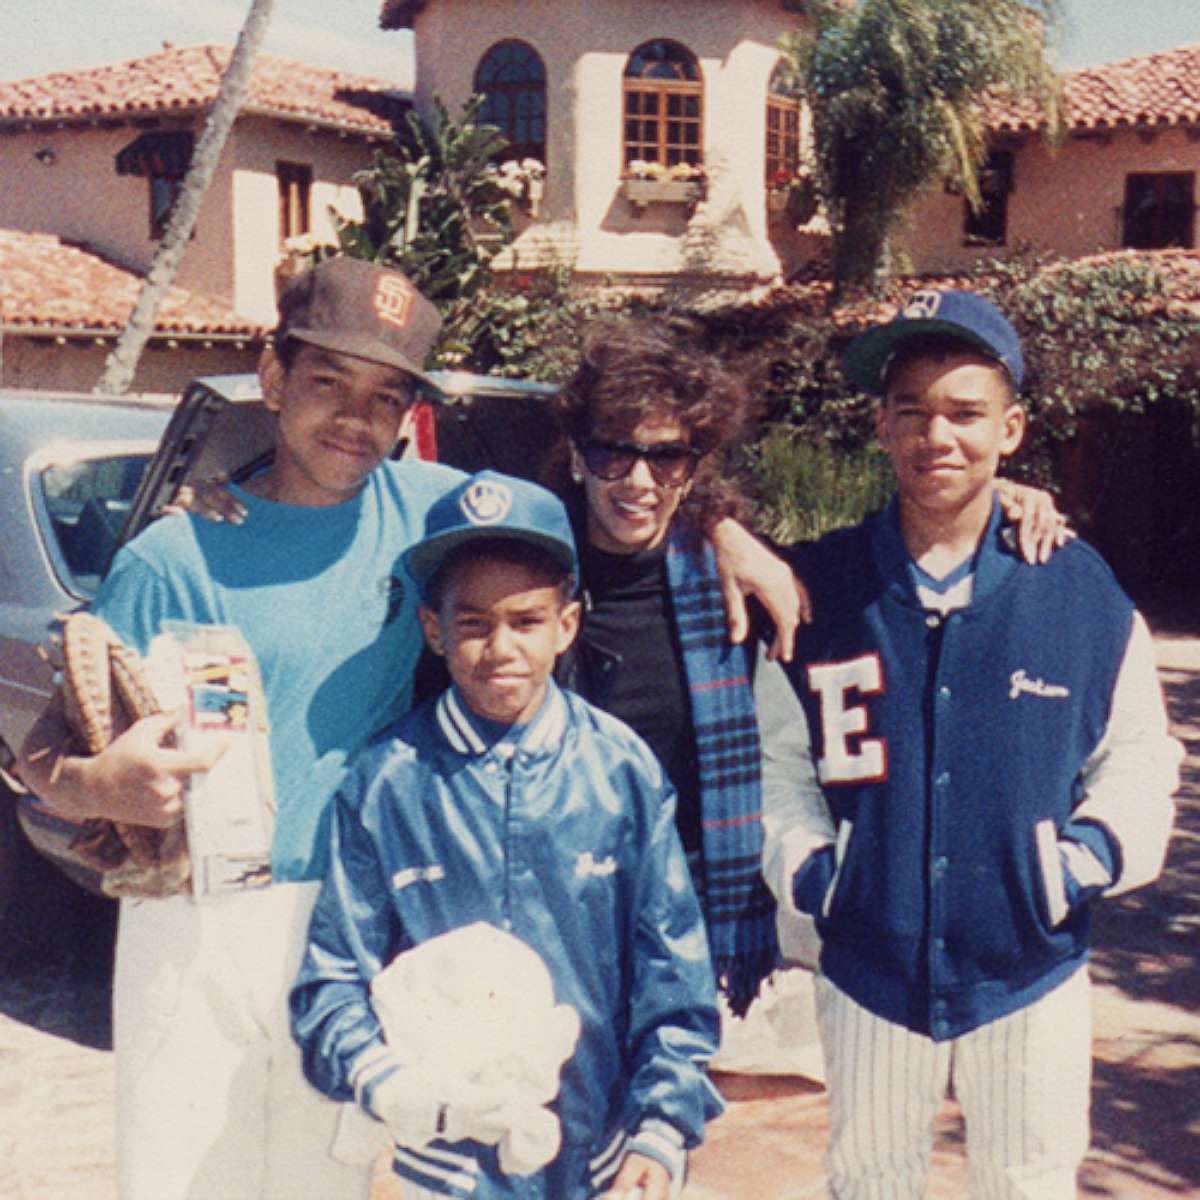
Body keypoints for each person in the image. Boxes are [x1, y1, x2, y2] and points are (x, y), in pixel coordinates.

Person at [18, 256, 468, 1200]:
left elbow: (589, 516)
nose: (356, 418)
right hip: (189, 923)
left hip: (346, 927)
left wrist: (723, 532)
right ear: (271, 379)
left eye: (386, 398)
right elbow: (41, 753)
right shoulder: (173, 555)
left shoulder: (429, 518)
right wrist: (103, 785)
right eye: (327, 383)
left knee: (319, 1187)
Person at [761, 289, 1181, 1198]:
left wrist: (1079, 862)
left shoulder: (1075, 590)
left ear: (1013, 427)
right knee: (869, 1181)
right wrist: (810, 869)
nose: (936, 436)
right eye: (910, 411)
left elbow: (1142, 757)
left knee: (1026, 1182)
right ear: (880, 425)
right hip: (870, 965)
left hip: (1029, 968)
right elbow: (780, 762)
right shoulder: (819, 589)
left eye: (964, 412)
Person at [290, 471, 724, 1200]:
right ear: (433, 629)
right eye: (472, 623)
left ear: (567, 625)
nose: (500, 647)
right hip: (444, 1163)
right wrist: (384, 1081)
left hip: (599, 1156)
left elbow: (673, 976)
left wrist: (661, 1127)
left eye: (525, 621)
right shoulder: (387, 782)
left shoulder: (620, 772)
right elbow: (333, 976)